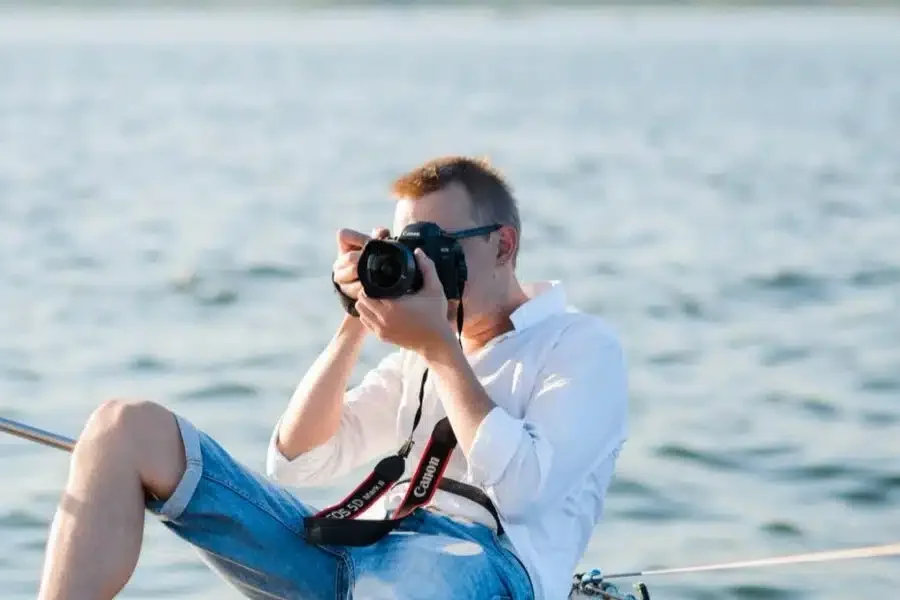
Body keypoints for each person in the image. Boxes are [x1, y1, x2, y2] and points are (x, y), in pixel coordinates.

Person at [36, 156, 628, 600]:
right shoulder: (418, 354)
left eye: (438, 245)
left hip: (481, 563)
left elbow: (525, 491)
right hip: (357, 547)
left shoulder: (580, 347)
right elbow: (296, 459)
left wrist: (441, 350)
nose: (423, 265)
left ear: (503, 245)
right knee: (123, 427)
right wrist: (356, 320)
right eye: (408, 248)